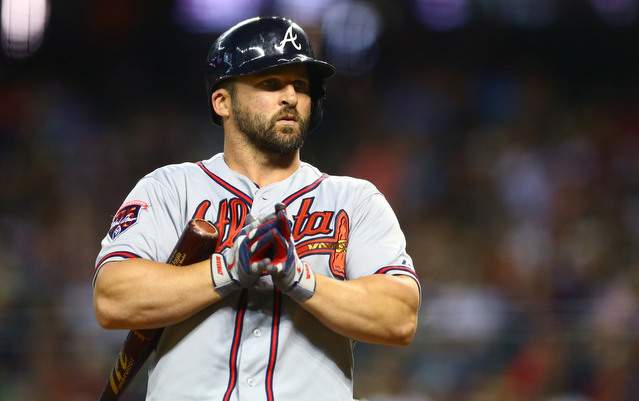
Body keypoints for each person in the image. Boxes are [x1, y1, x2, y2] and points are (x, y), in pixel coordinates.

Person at [92, 15, 421, 401]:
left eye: (300, 85)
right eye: (270, 83)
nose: (290, 97)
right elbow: (112, 299)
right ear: (222, 101)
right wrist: (228, 269)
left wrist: (301, 279)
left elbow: (399, 317)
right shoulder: (171, 188)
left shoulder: (354, 199)